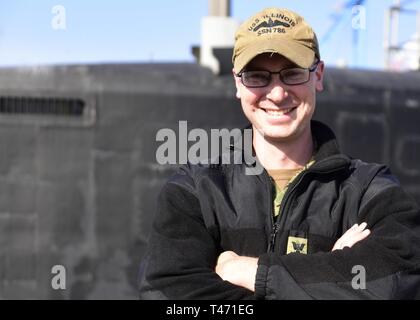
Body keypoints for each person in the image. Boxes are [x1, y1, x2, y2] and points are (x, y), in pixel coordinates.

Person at [138, 7, 420, 299]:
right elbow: (166, 296)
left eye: (292, 74)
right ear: (238, 83)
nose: (277, 93)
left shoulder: (368, 192)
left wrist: (249, 272)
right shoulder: (197, 190)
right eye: (257, 76)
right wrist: (328, 279)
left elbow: (395, 280)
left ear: (318, 75)